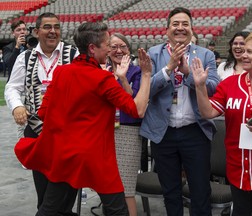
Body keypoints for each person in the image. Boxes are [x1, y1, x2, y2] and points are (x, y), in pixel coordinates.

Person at [14, 21, 152, 216]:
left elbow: (43, 112)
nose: (110, 49)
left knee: (51, 209)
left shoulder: (61, 72)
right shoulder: (102, 79)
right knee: (117, 210)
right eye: (107, 44)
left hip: (66, 155)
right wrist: (146, 75)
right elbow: (137, 109)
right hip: (97, 157)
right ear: (92, 48)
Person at [191, 29, 252, 216]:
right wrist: (200, 86)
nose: (243, 55)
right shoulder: (229, 84)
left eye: (250, 51)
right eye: (243, 51)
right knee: (240, 212)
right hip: (238, 166)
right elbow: (207, 112)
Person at [140, 7, 220, 216]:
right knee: (170, 191)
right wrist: (168, 69)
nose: (180, 28)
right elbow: (146, 89)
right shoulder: (153, 54)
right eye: (175, 24)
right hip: (162, 132)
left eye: (185, 24)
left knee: (201, 190)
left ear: (192, 29)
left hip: (195, 131)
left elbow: (213, 87)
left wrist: (187, 74)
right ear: (167, 30)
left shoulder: (206, 54)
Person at [5, 12, 79, 216]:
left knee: (66, 192)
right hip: (37, 132)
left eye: (56, 27)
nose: (53, 31)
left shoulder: (73, 54)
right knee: (44, 189)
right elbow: (12, 87)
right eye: (47, 27)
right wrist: (17, 106)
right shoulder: (25, 57)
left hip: (68, 133)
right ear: (37, 32)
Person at [106, 33, 143, 216]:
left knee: (126, 186)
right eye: (113, 47)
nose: (118, 50)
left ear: (129, 50)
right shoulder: (101, 70)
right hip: (104, 131)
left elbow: (133, 104)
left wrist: (122, 78)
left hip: (127, 131)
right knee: (108, 185)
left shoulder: (136, 72)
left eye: (123, 46)